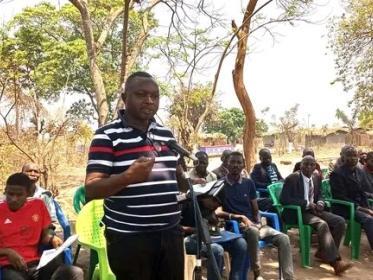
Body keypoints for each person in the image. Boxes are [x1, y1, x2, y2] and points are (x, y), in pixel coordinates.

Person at [85, 71, 184, 280]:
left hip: (171, 233)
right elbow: (92, 189)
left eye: (155, 96)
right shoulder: (106, 136)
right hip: (129, 239)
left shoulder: (165, 134)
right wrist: (128, 177)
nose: (149, 101)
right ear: (124, 98)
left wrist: (193, 184)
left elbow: (176, 178)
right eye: (141, 94)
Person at [216, 151, 294, 280]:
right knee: (252, 231)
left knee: (284, 238)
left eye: (239, 162)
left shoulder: (248, 183)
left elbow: (255, 209)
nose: (235, 165)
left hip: (254, 225)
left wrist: (257, 221)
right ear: (226, 165)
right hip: (236, 226)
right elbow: (218, 212)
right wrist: (239, 217)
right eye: (232, 162)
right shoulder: (220, 185)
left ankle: (288, 277)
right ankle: (257, 273)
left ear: (243, 165)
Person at [0, 173, 83, 280]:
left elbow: (47, 229)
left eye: (19, 195)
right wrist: (8, 252)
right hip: (9, 266)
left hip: (38, 262)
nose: (14, 199)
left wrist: (51, 236)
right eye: (10, 194)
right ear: (5, 190)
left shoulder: (37, 205)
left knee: (75, 273)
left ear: (28, 193)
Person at [280, 156, 352, 275]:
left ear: (315, 166)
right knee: (322, 224)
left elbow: (320, 194)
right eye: (306, 164)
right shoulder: (292, 178)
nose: (308, 167)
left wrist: (320, 202)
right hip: (297, 212)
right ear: (300, 165)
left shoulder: (316, 176)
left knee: (339, 221)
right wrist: (307, 203)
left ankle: (323, 252)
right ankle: (335, 262)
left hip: (313, 211)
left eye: (311, 164)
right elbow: (284, 199)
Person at [181, 196, 247, 280]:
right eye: (214, 200)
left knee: (241, 244)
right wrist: (194, 230)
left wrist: (214, 220)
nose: (216, 204)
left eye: (218, 203)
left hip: (211, 237)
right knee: (216, 249)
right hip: (189, 238)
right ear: (204, 197)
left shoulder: (210, 207)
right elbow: (176, 227)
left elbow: (214, 225)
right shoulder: (186, 204)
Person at [330, 145, 373, 250]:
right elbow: (340, 197)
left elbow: (362, 192)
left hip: (358, 206)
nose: (353, 158)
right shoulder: (337, 174)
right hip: (344, 207)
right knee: (368, 220)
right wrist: (363, 209)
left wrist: (368, 208)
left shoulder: (359, 171)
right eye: (349, 156)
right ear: (343, 157)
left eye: (355, 155)